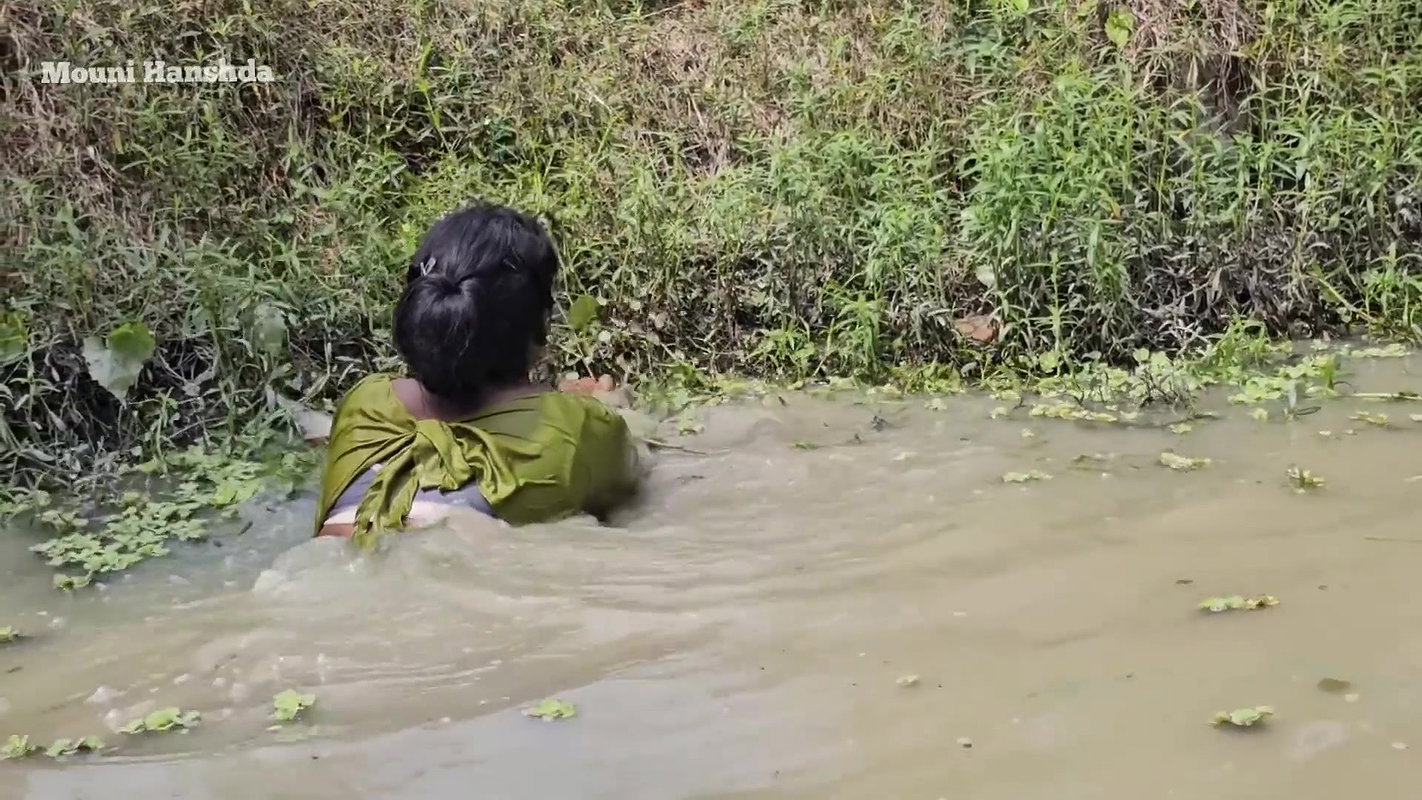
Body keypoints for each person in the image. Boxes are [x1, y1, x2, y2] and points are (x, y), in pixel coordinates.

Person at [314, 204, 642, 547]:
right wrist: (606, 404)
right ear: (538, 327)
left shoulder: (365, 403)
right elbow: (632, 481)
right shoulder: (578, 430)